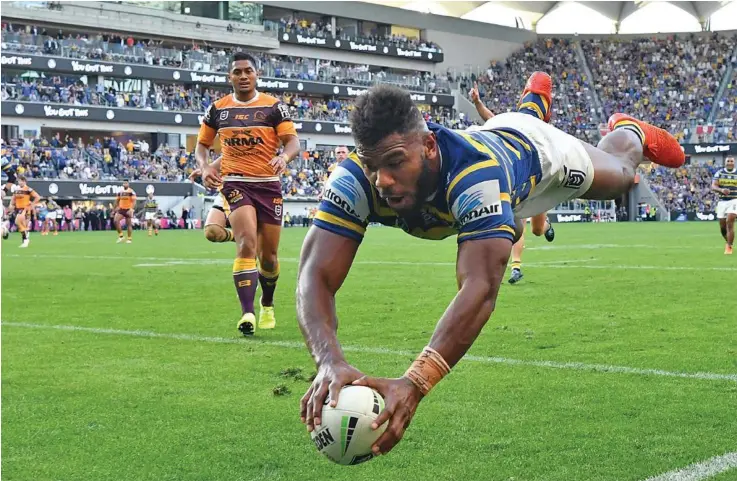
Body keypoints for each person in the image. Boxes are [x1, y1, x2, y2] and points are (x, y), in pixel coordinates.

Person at [296, 79, 685, 457]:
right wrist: (328, 360)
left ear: (429, 146)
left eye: (396, 162)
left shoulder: (475, 175)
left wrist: (414, 383)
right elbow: (315, 275)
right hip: (494, 143)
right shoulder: (353, 180)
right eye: (371, 165)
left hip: (534, 153)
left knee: (619, 176)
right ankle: (533, 104)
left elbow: (480, 288)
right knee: (505, 224)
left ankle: (627, 128)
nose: (382, 180)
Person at [197, 52, 300, 336]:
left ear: (256, 75)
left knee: (269, 258)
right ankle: (248, 313)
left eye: (248, 71)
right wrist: (205, 167)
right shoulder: (217, 109)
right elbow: (202, 145)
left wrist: (285, 158)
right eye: (237, 72)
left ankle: (267, 302)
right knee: (245, 243)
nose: (243, 76)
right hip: (235, 183)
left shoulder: (273, 107)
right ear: (229, 76)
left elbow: (292, 142)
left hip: (268, 185)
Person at [468, 79, 555, 285]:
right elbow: (492, 120)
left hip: (541, 179)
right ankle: (516, 267)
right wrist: (478, 103)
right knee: (519, 220)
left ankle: (546, 225)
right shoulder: (515, 121)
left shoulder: (545, 130)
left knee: (536, 228)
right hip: (523, 177)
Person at [712, 155, 737, 255]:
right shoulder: (720, 173)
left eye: (731, 161)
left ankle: (729, 247)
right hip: (722, 201)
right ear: (725, 163)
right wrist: (721, 190)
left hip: (734, 200)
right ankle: (728, 241)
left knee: (729, 221)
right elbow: (713, 186)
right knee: (722, 227)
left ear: (734, 162)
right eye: (728, 161)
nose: (730, 163)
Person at [10, 176, 40, 248]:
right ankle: (25, 240)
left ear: (24, 181)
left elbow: (37, 197)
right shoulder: (16, 189)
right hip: (17, 209)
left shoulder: (28, 189)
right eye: (18, 181)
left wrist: (32, 204)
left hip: (24, 209)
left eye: (20, 181)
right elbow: (13, 199)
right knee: (23, 226)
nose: (19, 182)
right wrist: (11, 206)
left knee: (18, 222)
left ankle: (26, 240)